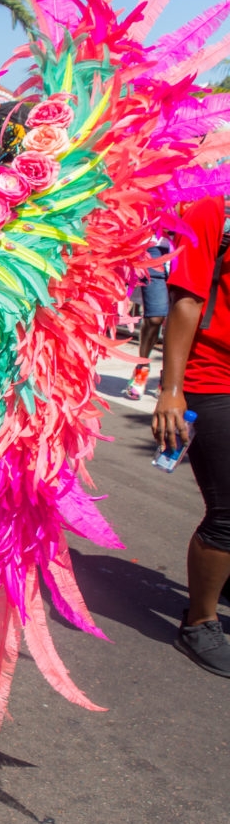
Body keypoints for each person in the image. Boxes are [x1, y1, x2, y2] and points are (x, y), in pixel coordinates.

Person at [153, 194, 230, 675]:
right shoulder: (214, 208)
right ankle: (200, 621)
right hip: (214, 379)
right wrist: (171, 391)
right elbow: (186, 300)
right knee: (228, 512)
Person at [125, 236, 171, 399]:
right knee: (154, 317)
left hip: (185, 248)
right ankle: (141, 369)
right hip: (155, 247)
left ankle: (167, 378)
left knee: (175, 321)